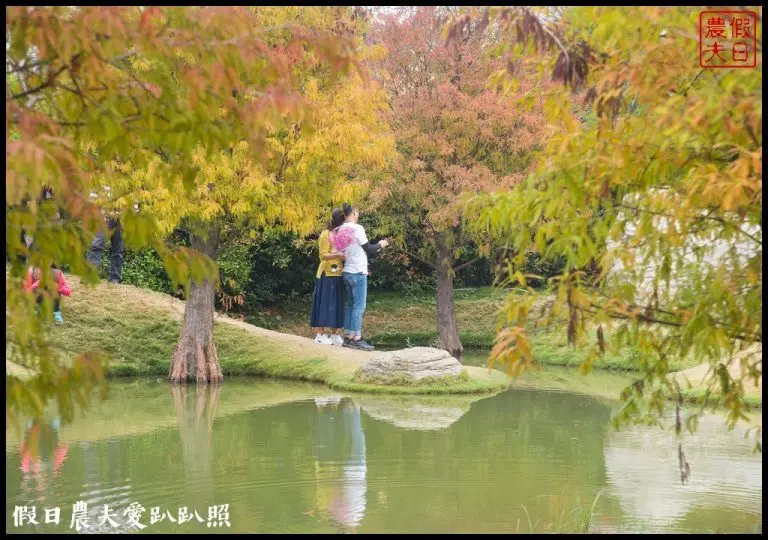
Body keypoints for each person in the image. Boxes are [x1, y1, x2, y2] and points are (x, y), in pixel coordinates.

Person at [336, 204, 389, 351]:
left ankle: (348, 337)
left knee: (350, 305)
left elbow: (341, 251)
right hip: (358, 272)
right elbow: (369, 249)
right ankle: (357, 338)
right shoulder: (357, 228)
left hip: (347, 271)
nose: (358, 215)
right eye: (357, 212)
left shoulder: (340, 229)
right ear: (353, 213)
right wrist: (381, 244)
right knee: (359, 307)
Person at [310, 209, 347, 345]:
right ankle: (320, 334)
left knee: (337, 304)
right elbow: (323, 255)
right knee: (325, 303)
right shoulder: (326, 234)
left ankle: (335, 334)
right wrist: (339, 255)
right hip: (327, 273)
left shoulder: (341, 234)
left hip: (338, 273)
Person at [86, 185, 125, 284]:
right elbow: (92, 198)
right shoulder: (102, 178)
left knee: (118, 250)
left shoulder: (128, 178)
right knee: (96, 245)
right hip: (104, 218)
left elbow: (133, 200)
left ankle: (115, 278)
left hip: (121, 220)